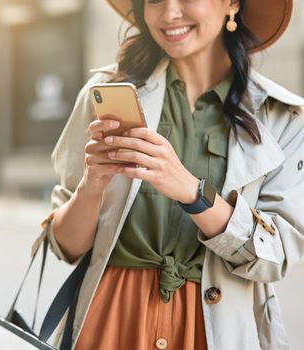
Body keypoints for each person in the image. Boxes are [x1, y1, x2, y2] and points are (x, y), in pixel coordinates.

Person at [36, 0, 304, 349]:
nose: (168, 13)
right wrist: (92, 185)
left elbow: (276, 258)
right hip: (109, 321)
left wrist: (192, 192)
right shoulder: (105, 93)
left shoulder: (282, 117)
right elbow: (66, 247)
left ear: (232, 4)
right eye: (155, 0)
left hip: (212, 329)